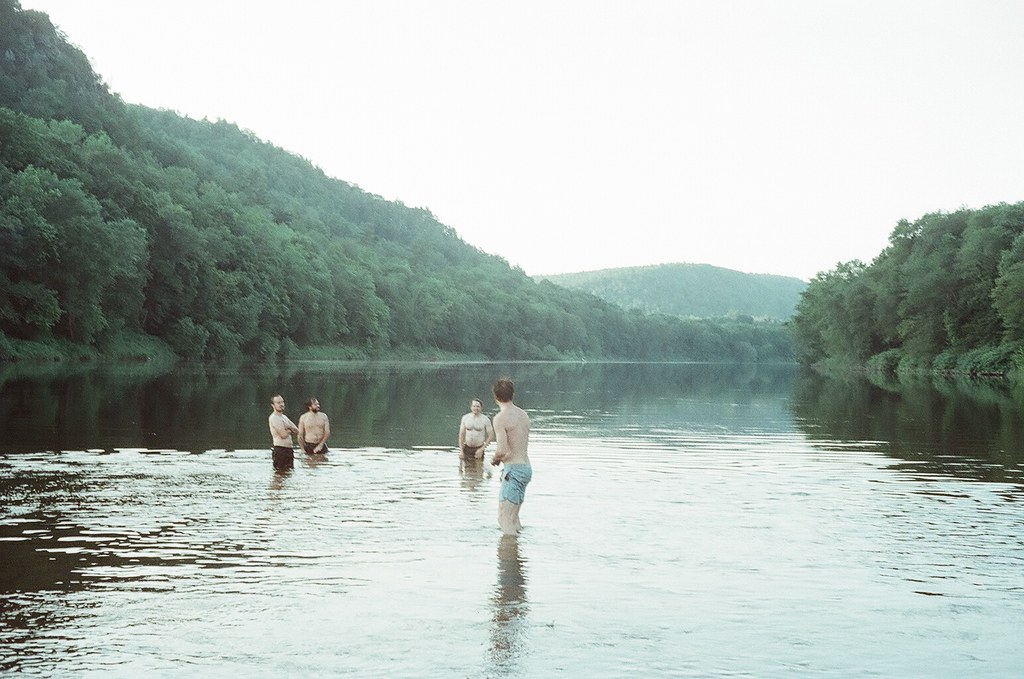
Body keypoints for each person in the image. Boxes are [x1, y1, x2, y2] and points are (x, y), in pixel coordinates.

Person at [490, 379, 532, 535]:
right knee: (514, 518)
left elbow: (501, 450)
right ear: (513, 395)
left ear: (495, 397)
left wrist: (494, 459)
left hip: (513, 470)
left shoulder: (500, 418)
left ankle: (509, 557)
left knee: (504, 518)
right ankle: (517, 554)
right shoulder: (523, 414)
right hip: (526, 468)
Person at [268, 394, 299, 470]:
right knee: (279, 475)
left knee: (288, 474)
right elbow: (283, 435)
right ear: (273, 405)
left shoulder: (284, 417)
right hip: (280, 450)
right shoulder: (274, 418)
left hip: (289, 450)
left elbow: (297, 431)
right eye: (278, 403)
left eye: (282, 402)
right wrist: (289, 428)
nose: (281, 404)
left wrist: (288, 427)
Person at [459, 398, 494, 462]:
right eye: (474, 406)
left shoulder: (485, 419)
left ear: (481, 408)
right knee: (467, 470)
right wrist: (461, 451)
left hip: (479, 448)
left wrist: (482, 449)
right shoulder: (465, 418)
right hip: (466, 448)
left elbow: (491, 436)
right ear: (471, 407)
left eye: (478, 406)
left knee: (478, 470)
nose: (476, 408)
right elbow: (461, 435)